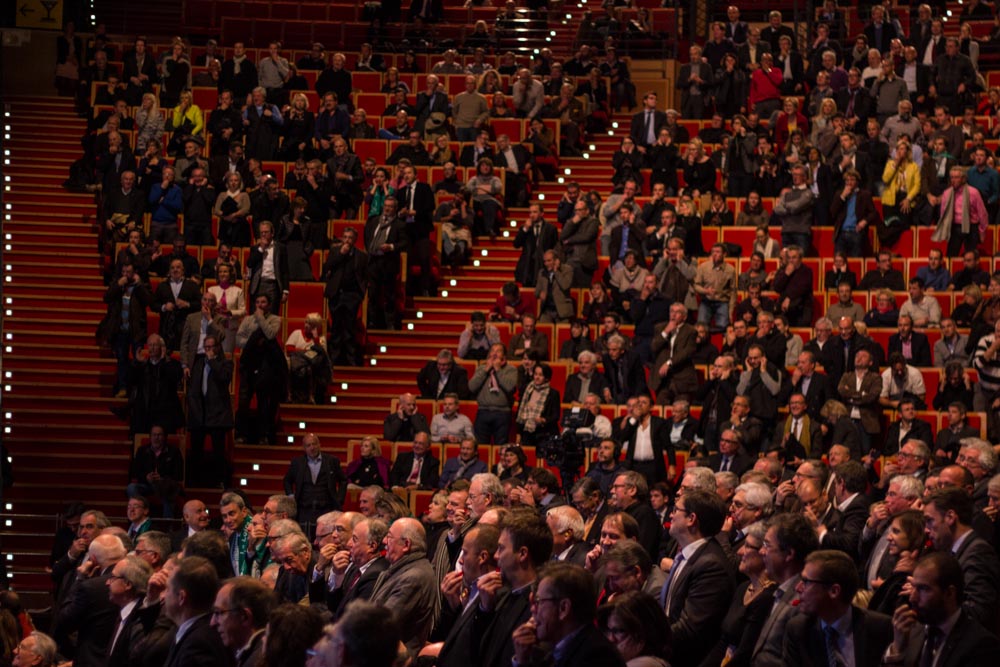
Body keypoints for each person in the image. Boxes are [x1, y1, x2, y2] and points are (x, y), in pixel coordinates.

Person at [882, 552, 1000, 666]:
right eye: (913, 587)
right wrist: (897, 649)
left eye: (923, 589)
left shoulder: (981, 646)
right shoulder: (909, 631)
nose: (913, 598)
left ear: (949, 593)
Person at [368, 518, 439, 655]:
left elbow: (381, 625)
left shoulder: (414, 577)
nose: (384, 541)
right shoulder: (404, 569)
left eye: (389, 537)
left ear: (406, 544)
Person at [235, 294, 286, 445]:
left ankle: (263, 435)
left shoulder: (275, 319)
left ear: (269, 305)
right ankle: (241, 434)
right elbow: (238, 339)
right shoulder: (247, 319)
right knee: (244, 401)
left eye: (263, 302)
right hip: (248, 365)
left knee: (263, 402)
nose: (260, 304)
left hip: (266, 367)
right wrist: (254, 342)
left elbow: (270, 335)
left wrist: (260, 318)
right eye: (257, 302)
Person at [283, 433, 346, 531]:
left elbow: (343, 480)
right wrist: (291, 497)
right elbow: (287, 480)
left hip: (326, 509)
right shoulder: (297, 462)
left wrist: (339, 499)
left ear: (319, 444)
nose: (312, 448)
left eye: (314, 444)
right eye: (308, 445)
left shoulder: (332, 461)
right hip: (304, 509)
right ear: (304, 448)